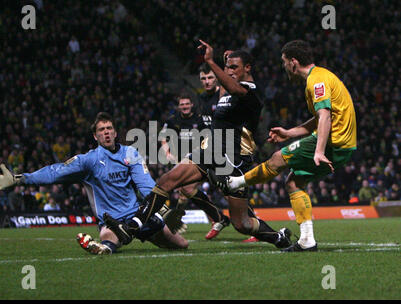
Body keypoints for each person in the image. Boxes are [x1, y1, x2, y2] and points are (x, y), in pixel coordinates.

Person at [102, 40, 292, 250]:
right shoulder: (227, 91)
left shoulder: (251, 93)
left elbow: (234, 88)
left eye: (234, 67)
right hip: (209, 150)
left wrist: (210, 61)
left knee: (242, 224)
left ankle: (278, 238)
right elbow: (225, 88)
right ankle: (131, 227)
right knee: (167, 180)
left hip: (234, 160)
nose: (229, 71)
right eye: (228, 67)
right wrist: (223, 63)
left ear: (248, 68)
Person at [209, 40, 357, 252]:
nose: (283, 66)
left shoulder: (317, 81)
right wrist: (290, 133)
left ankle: (235, 183)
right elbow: (319, 119)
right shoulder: (320, 78)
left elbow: (325, 117)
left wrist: (319, 151)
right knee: (293, 183)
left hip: (335, 141)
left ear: (294, 62)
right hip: (345, 146)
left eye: (284, 62)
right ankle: (307, 241)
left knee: (278, 158)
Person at [0, 112, 188, 255]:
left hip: (139, 217)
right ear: (95, 136)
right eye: (102, 130)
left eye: (109, 128)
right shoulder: (88, 161)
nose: (106, 132)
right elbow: (54, 172)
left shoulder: (130, 153)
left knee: (182, 245)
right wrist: (20, 178)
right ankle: (104, 247)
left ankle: (112, 244)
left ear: (116, 132)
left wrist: (163, 211)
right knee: (107, 244)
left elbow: (146, 186)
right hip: (112, 221)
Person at [161, 93, 230, 239]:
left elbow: (209, 136)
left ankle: (239, 219)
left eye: (187, 104)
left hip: (203, 158)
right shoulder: (173, 121)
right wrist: (167, 152)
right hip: (185, 161)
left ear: (192, 104)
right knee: (186, 190)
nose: (184, 107)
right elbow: (163, 138)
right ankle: (218, 218)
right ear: (178, 106)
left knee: (226, 188)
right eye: (182, 104)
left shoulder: (201, 120)